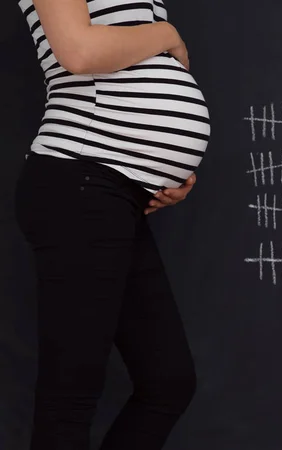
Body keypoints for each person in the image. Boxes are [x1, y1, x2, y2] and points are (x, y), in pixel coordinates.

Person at [14, 0, 210, 448]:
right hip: (81, 178)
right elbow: (79, 52)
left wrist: (163, 167)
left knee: (168, 382)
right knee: (69, 402)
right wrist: (167, 34)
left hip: (113, 189)